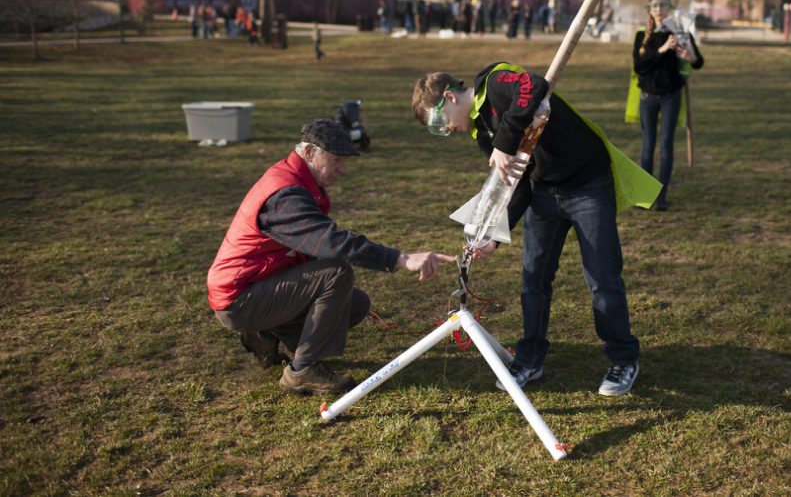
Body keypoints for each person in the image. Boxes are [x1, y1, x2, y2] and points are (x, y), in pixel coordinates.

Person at [411, 64, 661, 396]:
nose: (446, 131)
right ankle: (530, 359)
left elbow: (534, 84)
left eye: (439, 122)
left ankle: (623, 359)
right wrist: (493, 237)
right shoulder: (481, 131)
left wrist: (505, 141)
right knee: (534, 280)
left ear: (450, 97)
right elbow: (516, 184)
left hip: (586, 184)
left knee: (602, 277)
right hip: (543, 193)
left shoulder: (495, 83)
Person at [207, 119, 454, 394]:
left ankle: (265, 333)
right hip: (238, 299)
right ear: (309, 152)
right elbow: (332, 244)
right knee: (336, 273)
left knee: (355, 305)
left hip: (257, 284)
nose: (342, 169)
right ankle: (303, 370)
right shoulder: (285, 195)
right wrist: (401, 259)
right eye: (336, 159)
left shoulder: (295, 178)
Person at [631, 0, 704, 211]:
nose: (659, 10)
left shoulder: (679, 32)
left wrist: (689, 57)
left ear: (669, 8)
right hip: (648, 97)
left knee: (666, 145)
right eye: (655, 6)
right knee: (647, 146)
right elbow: (640, 67)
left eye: (663, 5)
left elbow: (698, 62)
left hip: (671, 96)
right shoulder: (642, 36)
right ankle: (645, 195)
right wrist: (662, 49)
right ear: (649, 10)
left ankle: (661, 196)